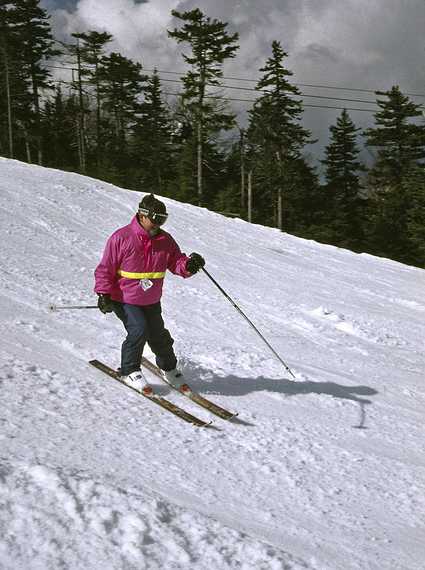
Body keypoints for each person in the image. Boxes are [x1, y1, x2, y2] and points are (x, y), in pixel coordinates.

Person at [94, 193, 205, 391]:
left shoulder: (165, 240)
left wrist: (189, 265)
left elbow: (176, 262)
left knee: (158, 334)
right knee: (138, 329)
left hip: (151, 299)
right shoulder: (122, 237)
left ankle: (169, 369)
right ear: (142, 215)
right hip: (125, 298)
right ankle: (129, 370)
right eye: (154, 220)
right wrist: (103, 294)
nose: (157, 225)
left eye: (162, 220)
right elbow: (106, 268)